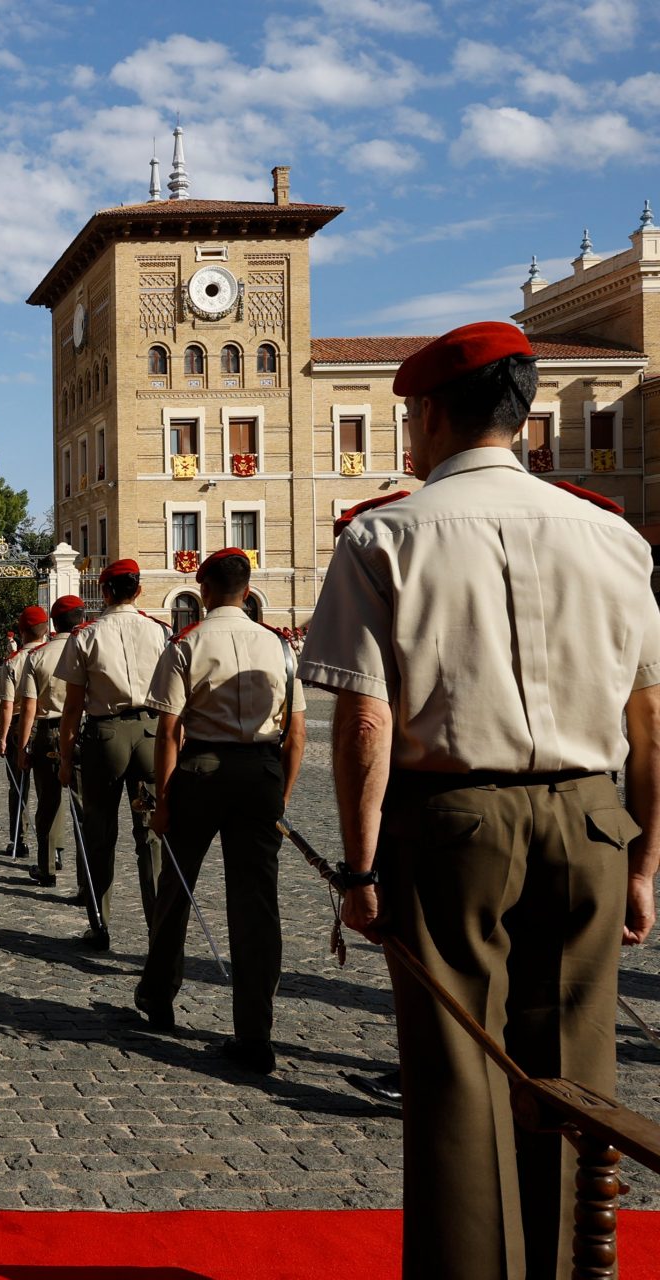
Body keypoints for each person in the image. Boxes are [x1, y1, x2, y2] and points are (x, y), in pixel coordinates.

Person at [300, 321, 660, 1280]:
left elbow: (366, 722)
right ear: (523, 412)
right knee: (578, 1078)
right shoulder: (615, 536)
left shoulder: (385, 535)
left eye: (409, 413)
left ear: (428, 416)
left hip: (453, 823)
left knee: (461, 1084)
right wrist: (644, 867)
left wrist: (361, 867)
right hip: (593, 818)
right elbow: (651, 723)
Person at [135, 548, 307, 1075]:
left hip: (201, 770)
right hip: (261, 770)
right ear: (248, 590)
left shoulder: (187, 643)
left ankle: (159, 997)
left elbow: (168, 730)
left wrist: (163, 803)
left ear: (204, 590)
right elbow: (295, 733)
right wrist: (281, 794)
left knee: (177, 887)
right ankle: (256, 1032)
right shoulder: (279, 647)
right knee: (257, 906)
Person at [55, 559, 170, 949]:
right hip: (151, 731)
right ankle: (158, 926)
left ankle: (99, 922)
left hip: (105, 735)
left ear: (104, 592)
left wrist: (66, 757)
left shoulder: (85, 636)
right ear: (138, 591)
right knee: (151, 835)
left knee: (99, 832)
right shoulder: (160, 632)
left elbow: (72, 706)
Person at [0, 605, 56, 882]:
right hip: (49, 724)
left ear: (21, 632)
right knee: (51, 792)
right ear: (46, 629)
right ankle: (55, 849)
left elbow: (8, 704)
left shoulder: (14, 660)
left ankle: (18, 840)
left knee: (18, 787)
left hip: (21, 723)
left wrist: (3, 737)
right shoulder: (56, 654)